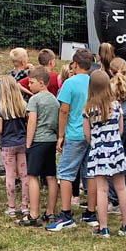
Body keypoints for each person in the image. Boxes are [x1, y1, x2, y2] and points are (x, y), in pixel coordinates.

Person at [47, 48, 97, 231]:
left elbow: (64, 110)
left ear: (74, 64)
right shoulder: (95, 82)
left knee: (66, 173)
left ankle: (66, 214)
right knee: (90, 173)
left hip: (74, 133)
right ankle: (91, 212)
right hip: (92, 133)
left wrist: (61, 135)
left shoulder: (69, 83)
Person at [83, 70, 126, 237]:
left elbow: (86, 134)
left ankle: (103, 227)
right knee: (121, 187)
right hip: (116, 150)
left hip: (98, 151)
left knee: (102, 190)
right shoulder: (117, 105)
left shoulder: (88, 108)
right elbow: (121, 129)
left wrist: (96, 143)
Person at [20, 67, 60, 227]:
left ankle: (34, 214)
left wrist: (28, 144)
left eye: (31, 82)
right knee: (51, 176)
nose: (29, 85)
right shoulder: (54, 100)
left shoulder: (34, 100)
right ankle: (50, 212)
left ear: (41, 83)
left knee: (33, 176)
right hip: (51, 140)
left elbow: (32, 122)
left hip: (37, 141)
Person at [0, 75, 30, 217]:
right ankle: (25, 206)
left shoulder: (1, 109)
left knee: (10, 175)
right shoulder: (24, 106)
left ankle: (11, 207)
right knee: (24, 175)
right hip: (22, 143)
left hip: (8, 145)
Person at [107, 57, 126, 211]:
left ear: (109, 71)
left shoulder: (108, 87)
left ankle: (114, 200)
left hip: (114, 124)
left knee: (113, 161)